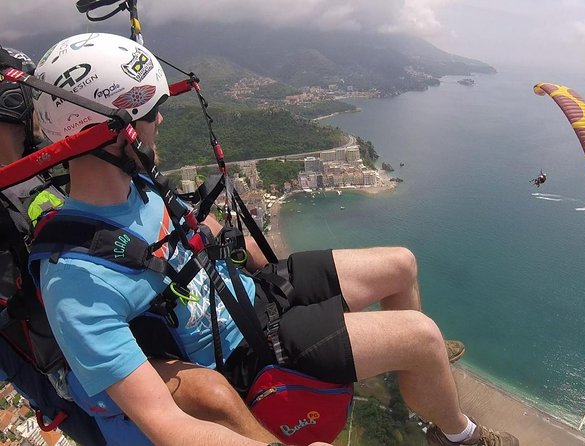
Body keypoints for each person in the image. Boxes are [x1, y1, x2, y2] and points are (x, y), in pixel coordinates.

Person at [27, 33, 517, 446]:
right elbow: (165, 423)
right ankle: (457, 433)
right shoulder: (76, 279)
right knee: (422, 336)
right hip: (240, 351)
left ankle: (409, 379)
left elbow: (197, 237)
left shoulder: (137, 187)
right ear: (121, 133)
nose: (161, 122)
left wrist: (261, 257)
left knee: (401, 265)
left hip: (247, 293)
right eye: (153, 112)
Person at [0, 45, 281, 445]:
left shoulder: (55, 178)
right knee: (210, 394)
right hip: (79, 344)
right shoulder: (60, 248)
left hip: (125, 311)